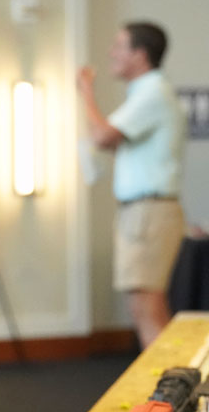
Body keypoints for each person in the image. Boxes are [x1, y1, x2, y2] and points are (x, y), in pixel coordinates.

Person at [77, 22, 186, 349]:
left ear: (140, 55)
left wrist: (85, 92)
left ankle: (168, 396)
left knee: (146, 308)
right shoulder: (147, 92)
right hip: (145, 212)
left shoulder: (152, 92)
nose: (112, 53)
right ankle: (170, 391)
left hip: (148, 212)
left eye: (119, 45)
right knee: (145, 306)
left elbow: (103, 136)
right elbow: (112, 140)